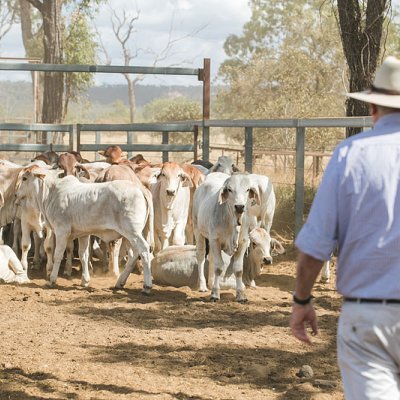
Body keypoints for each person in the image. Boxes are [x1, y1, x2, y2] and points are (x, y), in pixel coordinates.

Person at [290, 55, 400, 400]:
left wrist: (302, 299)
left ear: (373, 108)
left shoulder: (350, 155)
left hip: (369, 314)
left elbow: (315, 248)